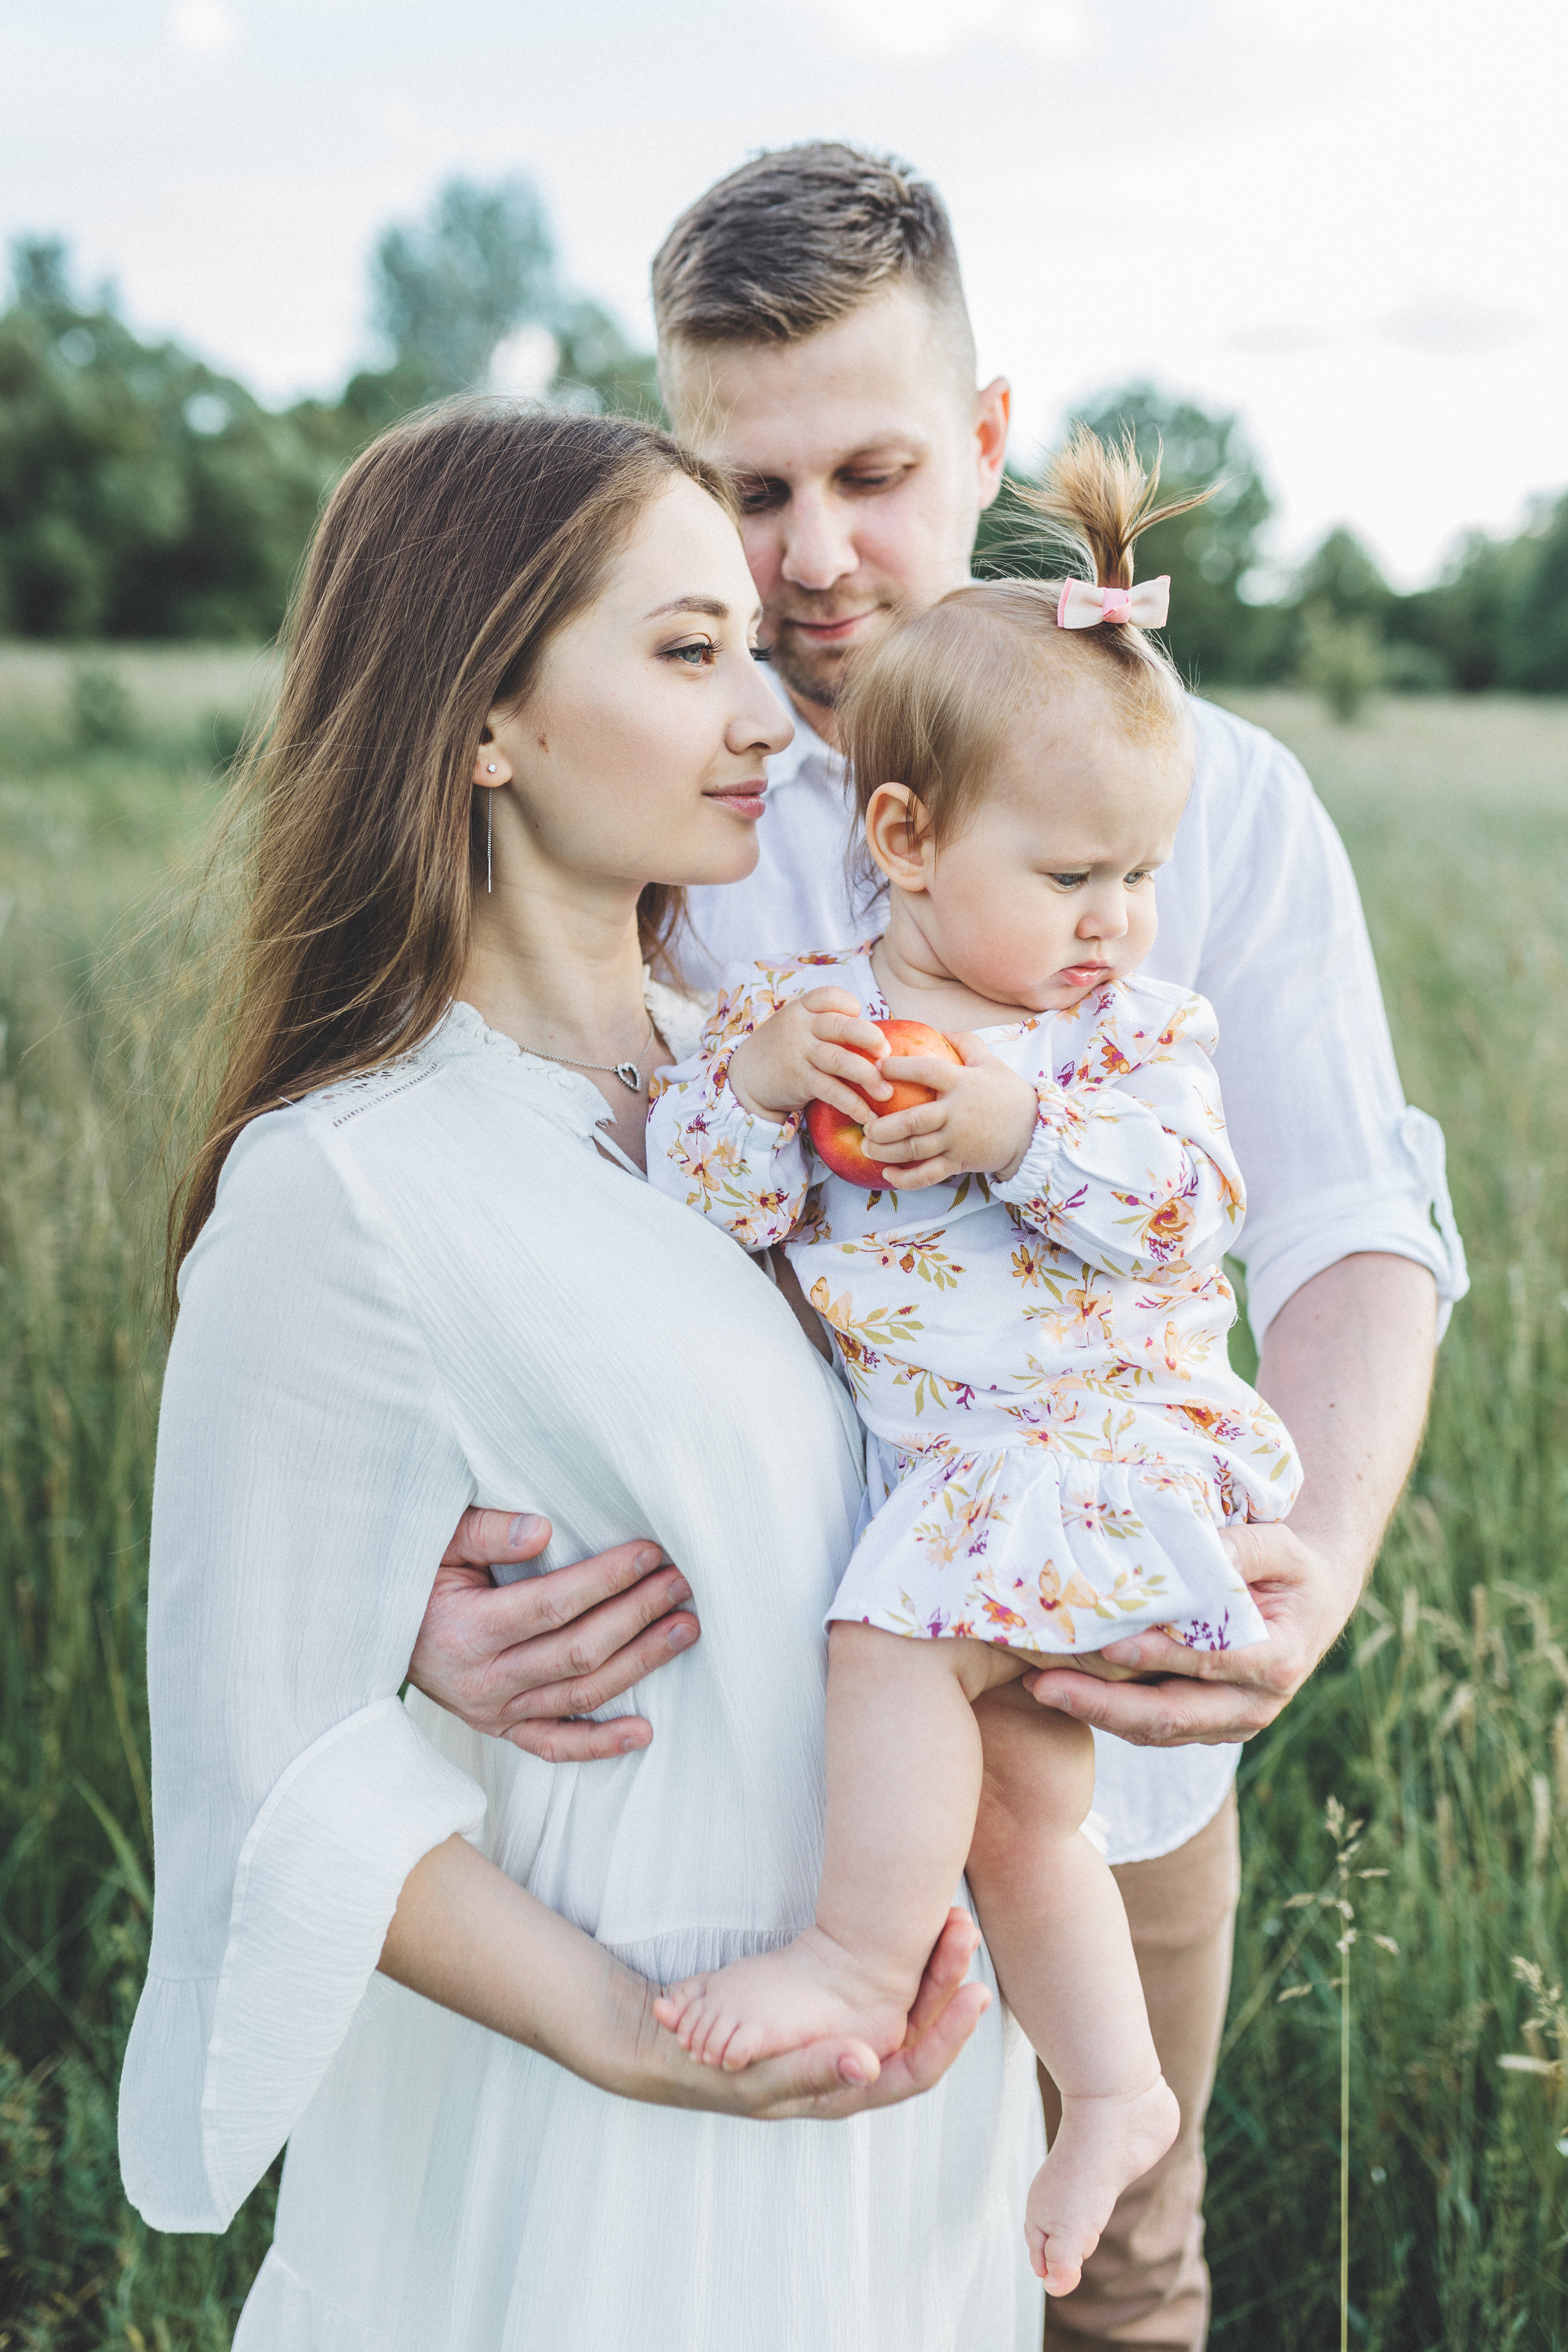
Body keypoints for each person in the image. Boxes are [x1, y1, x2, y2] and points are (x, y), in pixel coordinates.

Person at [405, 146, 1467, 2348]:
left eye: (874, 475)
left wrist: (1320, 1574)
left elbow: (1354, 1220)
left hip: (1103, 1705)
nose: (814, 559)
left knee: (1113, 2270)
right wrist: (406, 1575)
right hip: (690, 1757)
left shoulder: (1201, 803)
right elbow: (432, 1205)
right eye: (750, 490)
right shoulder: (616, 777)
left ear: (987, 443)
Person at [118, 401, 1044, 2351]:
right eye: (686, 650)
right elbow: (269, 1772)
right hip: (609, 2118)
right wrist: (636, 2046)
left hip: (899, 2078)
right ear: (482, 720)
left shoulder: (793, 1080)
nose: (771, 722)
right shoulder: (347, 1188)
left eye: (751, 654)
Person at [648, 430, 1310, 2293]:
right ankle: (1112, 2088)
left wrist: (1020, 1129)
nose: (1117, 921)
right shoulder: (820, 1020)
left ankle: (859, 1959)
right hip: (968, 1479)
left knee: (886, 1642)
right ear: (909, 841)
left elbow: (1192, 1208)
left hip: (1088, 1450)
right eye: (1079, 875)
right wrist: (753, 1093)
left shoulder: (1123, 1048)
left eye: (1142, 874)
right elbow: (708, 1211)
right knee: (1023, 1808)